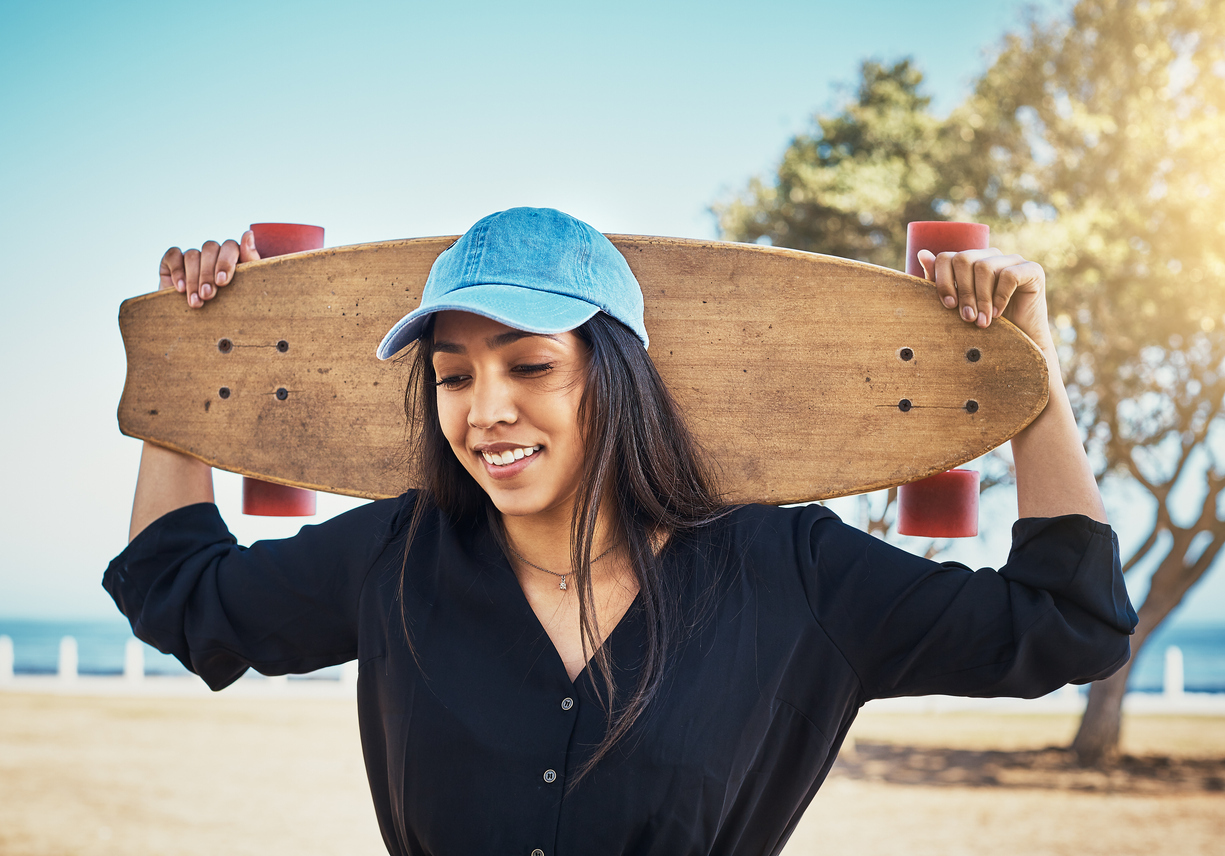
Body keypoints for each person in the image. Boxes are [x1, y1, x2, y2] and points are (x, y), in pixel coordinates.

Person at [106, 207, 1136, 856]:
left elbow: (1067, 620)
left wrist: (1025, 377)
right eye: (454, 376)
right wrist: (193, 365)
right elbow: (181, 594)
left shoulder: (790, 572)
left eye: (529, 365)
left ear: (616, 372)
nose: (485, 409)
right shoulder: (397, 557)